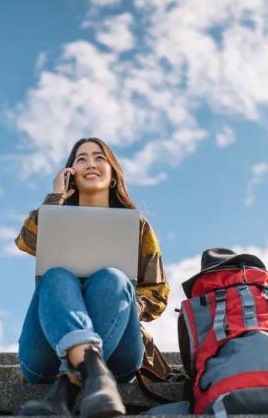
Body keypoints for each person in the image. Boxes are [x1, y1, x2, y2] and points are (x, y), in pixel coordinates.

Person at [14, 137, 170, 418]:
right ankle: (88, 375)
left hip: (119, 355)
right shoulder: (55, 215)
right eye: (81, 159)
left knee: (112, 279)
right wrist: (55, 197)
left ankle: (67, 388)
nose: (90, 164)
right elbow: (25, 241)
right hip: (45, 356)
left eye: (99, 157)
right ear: (70, 173)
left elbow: (158, 296)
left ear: (112, 175)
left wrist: (122, 303)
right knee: (57, 277)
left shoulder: (137, 226)